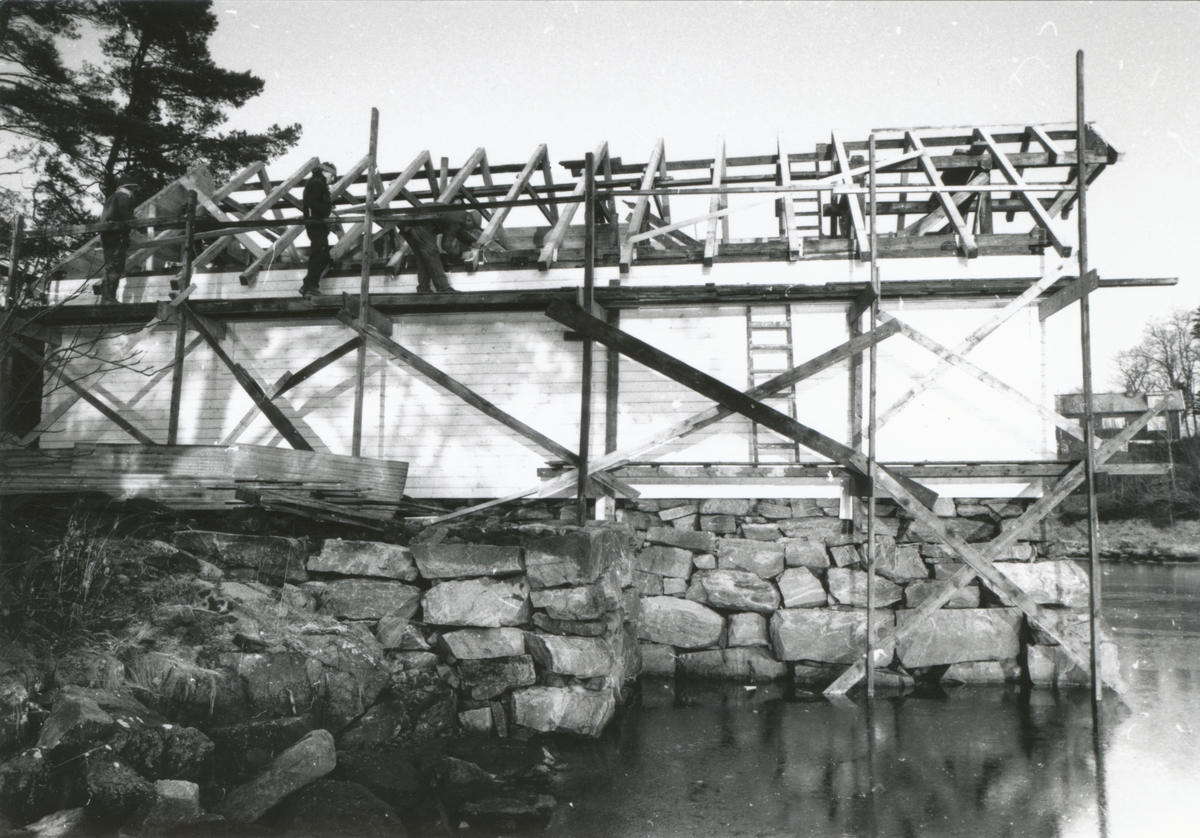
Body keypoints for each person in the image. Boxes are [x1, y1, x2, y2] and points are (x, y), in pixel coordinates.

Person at [399, 208, 480, 293]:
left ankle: (423, 289)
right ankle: (443, 288)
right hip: (419, 223)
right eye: (471, 227)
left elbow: (456, 231)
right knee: (431, 253)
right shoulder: (458, 218)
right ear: (469, 220)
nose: (469, 230)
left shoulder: (458, 214)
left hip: (407, 223)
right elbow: (446, 245)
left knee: (422, 257)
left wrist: (471, 242)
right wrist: (461, 255)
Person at [97, 175, 138, 304]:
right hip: (116, 235)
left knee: (110, 266)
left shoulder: (112, 198)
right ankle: (109, 298)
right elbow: (123, 212)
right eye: (134, 188)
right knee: (116, 266)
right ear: (129, 187)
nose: (135, 190)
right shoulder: (124, 197)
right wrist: (137, 223)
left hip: (108, 235)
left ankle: (106, 298)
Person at [300, 162, 335, 297]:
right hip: (315, 223)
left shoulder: (316, 183)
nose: (333, 179)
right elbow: (311, 202)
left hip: (316, 223)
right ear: (325, 172)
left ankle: (309, 285)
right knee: (319, 253)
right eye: (333, 175)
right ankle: (309, 285)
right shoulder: (317, 183)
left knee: (323, 256)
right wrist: (327, 212)